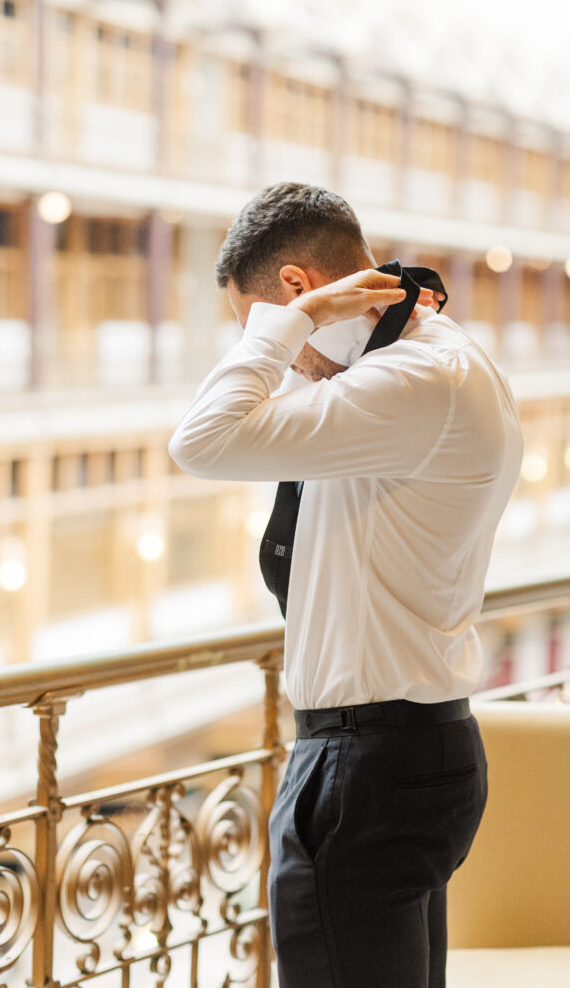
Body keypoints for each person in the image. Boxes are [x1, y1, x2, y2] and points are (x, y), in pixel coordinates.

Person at [168, 182, 523, 988]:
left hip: (368, 766)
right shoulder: (424, 367)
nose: (283, 354)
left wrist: (290, 325)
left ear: (299, 289)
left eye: (260, 320)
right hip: (401, 751)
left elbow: (203, 440)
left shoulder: (412, 383)